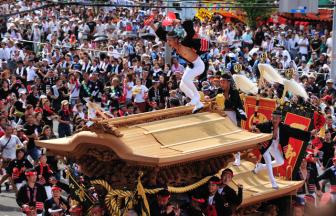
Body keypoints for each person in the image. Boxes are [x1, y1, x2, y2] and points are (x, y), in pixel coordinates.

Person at [148, 18, 208, 113]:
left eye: (170, 41)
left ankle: (196, 96)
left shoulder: (185, 43)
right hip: (191, 66)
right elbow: (162, 35)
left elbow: (190, 31)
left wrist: (179, 22)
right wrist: (152, 25)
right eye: (167, 40)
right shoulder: (174, 45)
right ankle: (198, 104)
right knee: (182, 85)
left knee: (185, 80)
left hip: (199, 65)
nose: (168, 42)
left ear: (176, 40)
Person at [253, 110, 313, 189]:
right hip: (265, 145)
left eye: (276, 118)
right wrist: (255, 128)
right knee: (267, 159)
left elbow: (295, 132)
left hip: (273, 146)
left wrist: (310, 134)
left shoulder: (284, 128)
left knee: (280, 161)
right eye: (272, 118)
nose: (274, 120)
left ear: (280, 119)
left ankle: (260, 167)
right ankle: (273, 182)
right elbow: (255, 127)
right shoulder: (266, 125)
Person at [0, 124, 24, 192]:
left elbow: (20, 145)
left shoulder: (15, 137)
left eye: (11, 130)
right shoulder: (1, 140)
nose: (9, 131)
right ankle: (17, 192)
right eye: (8, 130)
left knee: (9, 175)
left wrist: (22, 146)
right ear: (4, 130)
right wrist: (3, 157)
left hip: (14, 160)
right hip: (6, 161)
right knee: (10, 176)